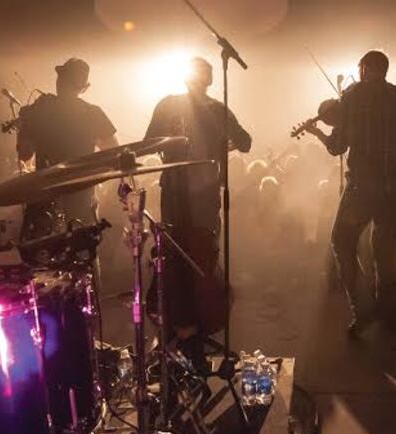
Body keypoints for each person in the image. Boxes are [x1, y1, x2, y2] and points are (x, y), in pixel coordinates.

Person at [144, 57, 252, 370]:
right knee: (199, 258)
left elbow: (149, 142)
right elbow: (245, 142)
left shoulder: (169, 105)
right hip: (201, 194)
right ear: (210, 80)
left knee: (177, 258)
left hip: (178, 192)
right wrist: (223, 144)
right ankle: (195, 328)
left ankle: (181, 328)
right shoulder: (218, 110)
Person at [305, 50, 396, 334]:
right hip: (394, 186)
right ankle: (391, 316)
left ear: (364, 69)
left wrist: (319, 133)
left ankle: (363, 311)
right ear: (385, 70)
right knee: (384, 250)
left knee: (341, 241)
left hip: (363, 187)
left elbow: (337, 147)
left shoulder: (352, 98)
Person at [16, 57, 119, 236]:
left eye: (62, 78)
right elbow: (113, 153)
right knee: (83, 253)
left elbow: (24, 154)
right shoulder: (92, 113)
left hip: (46, 195)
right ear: (84, 87)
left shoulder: (40, 112)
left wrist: (24, 126)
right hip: (78, 195)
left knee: (43, 256)